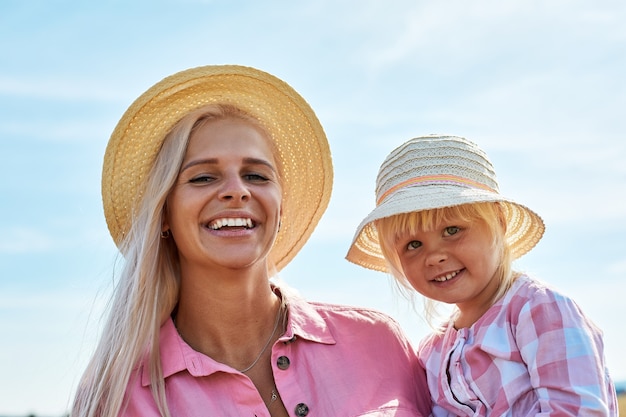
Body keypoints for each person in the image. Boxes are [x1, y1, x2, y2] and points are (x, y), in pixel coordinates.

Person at [70, 65, 432, 417]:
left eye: (256, 175)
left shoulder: (378, 342)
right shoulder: (117, 398)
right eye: (203, 178)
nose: (236, 191)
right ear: (164, 214)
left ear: (280, 206)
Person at [346, 134, 618, 416]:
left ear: (498, 223)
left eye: (452, 230)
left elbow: (577, 411)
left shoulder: (538, 310)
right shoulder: (434, 352)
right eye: (413, 245)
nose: (435, 256)